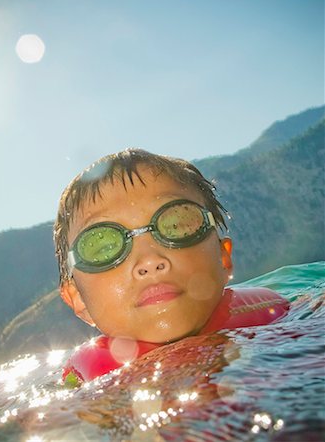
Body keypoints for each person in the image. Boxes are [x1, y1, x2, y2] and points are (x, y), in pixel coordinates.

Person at [53, 148, 289, 382]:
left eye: (177, 224)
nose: (150, 261)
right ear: (78, 299)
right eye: (103, 247)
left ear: (223, 257)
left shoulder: (275, 313)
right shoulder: (87, 385)